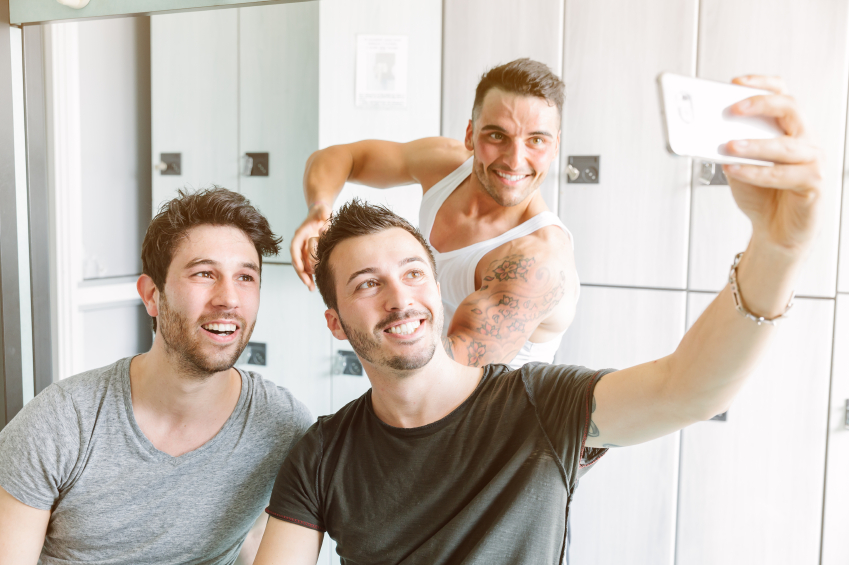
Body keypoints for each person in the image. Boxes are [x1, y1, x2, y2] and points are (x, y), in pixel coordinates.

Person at [253, 75, 822, 565]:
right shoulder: (323, 455)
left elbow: (687, 390)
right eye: (368, 284)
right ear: (334, 322)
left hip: (510, 430)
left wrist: (776, 250)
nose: (401, 298)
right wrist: (320, 211)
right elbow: (339, 156)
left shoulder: (538, 393)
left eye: (413, 273)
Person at [0, 188, 313, 565]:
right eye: (204, 273)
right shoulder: (60, 423)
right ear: (152, 295)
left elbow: (258, 541)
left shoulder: (283, 426)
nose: (229, 298)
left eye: (246, 277)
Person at [291, 58, 578, 370]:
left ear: (555, 146)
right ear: (470, 134)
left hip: (492, 412)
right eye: (497, 136)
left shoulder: (536, 260)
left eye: (536, 140)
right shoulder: (446, 166)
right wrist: (320, 212)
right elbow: (338, 156)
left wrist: (357, 312)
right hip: (417, 389)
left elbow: (446, 372)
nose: (514, 160)